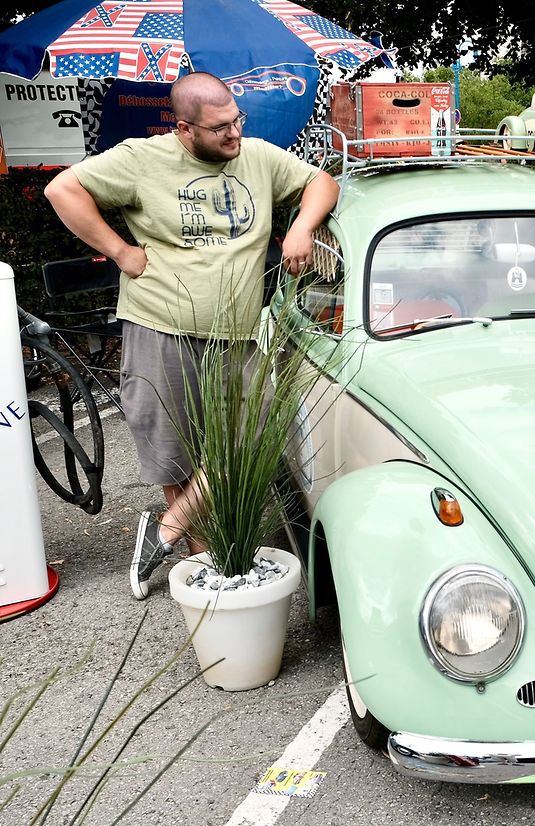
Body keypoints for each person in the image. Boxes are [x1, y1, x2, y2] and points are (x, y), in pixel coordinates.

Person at [44, 71, 339, 600]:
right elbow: (61, 189)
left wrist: (301, 226)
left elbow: (322, 182)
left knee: (249, 439)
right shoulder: (141, 158)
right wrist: (121, 251)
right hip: (161, 326)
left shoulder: (258, 156)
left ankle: (163, 532)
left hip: (240, 334)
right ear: (185, 129)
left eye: (236, 121)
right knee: (174, 452)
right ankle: (206, 572)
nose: (234, 135)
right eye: (220, 128)